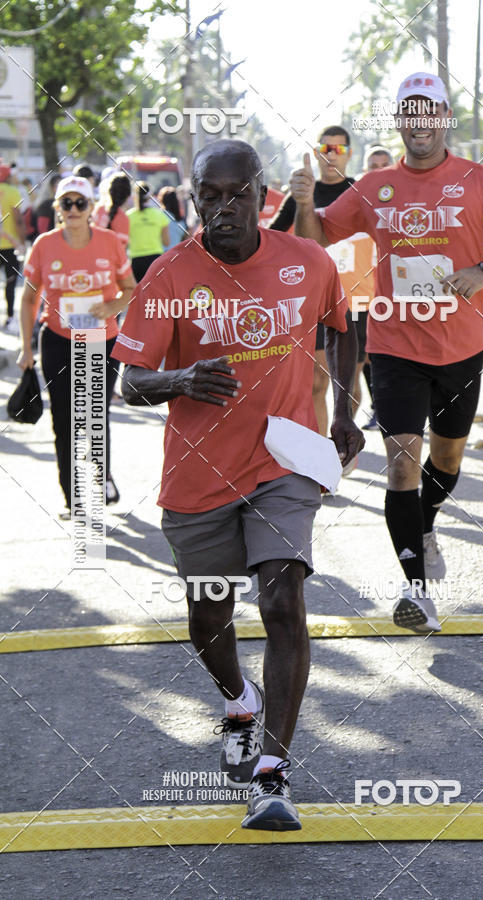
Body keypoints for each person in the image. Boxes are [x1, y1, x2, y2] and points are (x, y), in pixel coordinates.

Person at [112, 139, 363, 830]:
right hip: (198, 472)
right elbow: (129, 379)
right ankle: (237, 701)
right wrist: (181, 380)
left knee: (283, 598)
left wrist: (344, 409)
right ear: (194, 198)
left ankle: (274, 773)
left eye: (237, 195)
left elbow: (344, 324)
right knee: (208, 616)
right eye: (209, 196)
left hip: (283, 460)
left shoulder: (306, 261)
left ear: (264, 197)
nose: (224, 209)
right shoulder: (168, 277)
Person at [290, 71, 483, 632]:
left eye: (427, 111)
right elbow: (315, 242)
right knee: (401, 465)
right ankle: (417, 591)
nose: (418, 122)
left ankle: (427, 521)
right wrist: (306, 202)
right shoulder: (374, 187)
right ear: (399, 122)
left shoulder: (480, 181)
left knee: (448, 460)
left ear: (442, 118)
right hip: (393, 345)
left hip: (461, 347)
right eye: (408, 112)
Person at [17, 176, 135, 512]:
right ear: (58, 208)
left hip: (101, 339)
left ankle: (102, 477)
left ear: (91, 209)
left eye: (79, 203)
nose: (72, 209)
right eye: (65, 203)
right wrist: (26, 349)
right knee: (65, 418)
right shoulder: (44, 245)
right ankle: (74, 497)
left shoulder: (110, 242)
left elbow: (131, 288)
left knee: (95, 413)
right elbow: (28, 301)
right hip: (57, 340)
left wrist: (112, 306)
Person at [270, 126, 354, 436]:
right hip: (313, 299)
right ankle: (321, 460)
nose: (332, 154)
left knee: (350, 387)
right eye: (326, 148)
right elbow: (270, 237)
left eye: (339, 149)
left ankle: (344, 439)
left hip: (359, 299)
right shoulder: (302, 192)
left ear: (349, 153)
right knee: (318, 382)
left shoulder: (360, 191)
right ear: (318, 152)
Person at [360, 146, 394, 430]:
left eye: (385, 164)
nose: (379, 169)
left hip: (395, 290)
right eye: (374, 165)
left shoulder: (404, 195)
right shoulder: (356, 197)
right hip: (358, 291)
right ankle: (378, 407)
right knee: (366, 354)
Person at [0, 161, 26, 333]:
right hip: (9, 246)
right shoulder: (12, 192)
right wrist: (22, 242)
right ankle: (9, 317)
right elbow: (18, 220)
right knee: (10, 283)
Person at [126, 181, 170, 281]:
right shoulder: (160, 215)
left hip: (136, 260)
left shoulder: (128, 216)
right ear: (150, 197)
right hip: (155, 259)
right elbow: (166, 242)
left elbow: (125, 242)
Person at [92, 172, 132, 247]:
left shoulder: (98, 210)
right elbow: (120, 250)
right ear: (128, 195)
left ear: (109, 191)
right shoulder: (122, 218)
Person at [31, 173, 61, 239]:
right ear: (51, 187)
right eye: (57, 186)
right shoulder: (46, 205)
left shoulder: (66, 203)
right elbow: (42, 229)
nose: (60, 189)